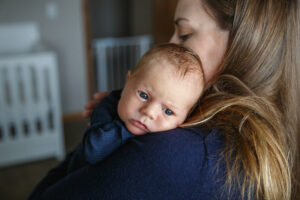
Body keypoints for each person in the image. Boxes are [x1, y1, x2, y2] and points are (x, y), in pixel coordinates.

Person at [29, 0, 300, 199]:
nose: (170, 44)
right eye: (144, 96)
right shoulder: (267, 137)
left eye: (184, 34)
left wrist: (105, 127)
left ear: (244, 44)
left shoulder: (174, 153)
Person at [67, 43, 204, 170]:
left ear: (185, 119)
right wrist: (127, 132)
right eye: (143, 96)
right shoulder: (107, 106)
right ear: (127, 82)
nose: (149, 112)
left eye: (168, 111)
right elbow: (93, 152)